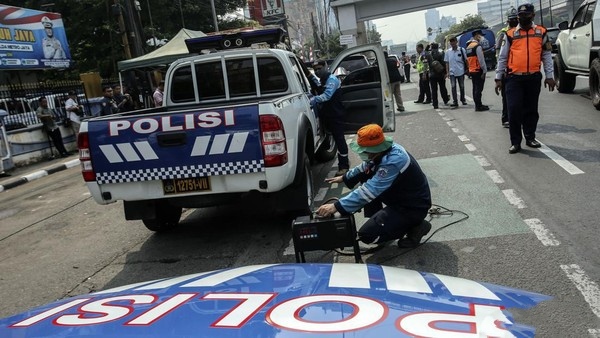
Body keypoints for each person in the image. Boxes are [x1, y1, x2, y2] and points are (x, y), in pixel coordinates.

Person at [316, 124, 432, 248]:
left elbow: (369, 191)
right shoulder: (383, 151)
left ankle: (416, 226)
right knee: (365, 176)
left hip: (412, 207)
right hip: (400, 198)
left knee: (367, 235)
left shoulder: (393, 162)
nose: (364, 154)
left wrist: (336, 206)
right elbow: (366, 167)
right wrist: (345, 177)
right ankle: (381, 221)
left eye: (366, 151)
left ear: (376, 149)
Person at [495, 3, 555, 154]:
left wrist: (549, 76)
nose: (522, 18)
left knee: (531, 110)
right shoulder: (509, 34)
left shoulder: (541, 32)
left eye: (526, 15)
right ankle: (515, 142)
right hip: (513, 78)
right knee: (514, 109)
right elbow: (502, 57)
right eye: (520, 16)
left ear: (532, 15)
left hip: (533, 78)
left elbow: (547, 55)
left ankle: (530, 137)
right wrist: (498, 78)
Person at [307, 60, 350, 176]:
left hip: (336, 115)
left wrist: (311, 100)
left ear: (326, 67)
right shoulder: (323, 80)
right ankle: (344, 164)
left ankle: (344, 166)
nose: (317, 71)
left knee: (339, 140)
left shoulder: (332, 80)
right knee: (335, 139)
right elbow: (316, 84)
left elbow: (326, 96)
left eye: (319, 68)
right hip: (329, 115)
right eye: (315, 70)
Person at [496, 7, 519, 128]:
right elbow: (499, 54)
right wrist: (500, 72)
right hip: (506, 70)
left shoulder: (520, 32)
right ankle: (506, 118)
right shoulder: (503, 33)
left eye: (516, 19)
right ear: (508, 21)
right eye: (512, 20)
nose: (514, 22)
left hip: (518, 70)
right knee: (506, 97)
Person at [466, 30, 489, 111]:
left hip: (472, 70)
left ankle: (477, 105)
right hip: (478, 70)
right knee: (479, 89)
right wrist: (484, 71)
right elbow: (481, 60)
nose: (482, 37)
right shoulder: (477, 46)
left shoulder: (469, 47)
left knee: (475, 88)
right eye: (481, 35)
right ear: (476, 35)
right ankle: (479, 106)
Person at [444, 36, 468, 108]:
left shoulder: (461, 50)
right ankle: (455, 101)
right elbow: (447, 63)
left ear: (456, 42)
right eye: (451, 42)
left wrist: (467, 69)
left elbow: (466, 60)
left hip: (460, 71)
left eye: (453, 41)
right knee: (453, 87)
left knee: (462, 86)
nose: (452, 43)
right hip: (452, 72)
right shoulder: (448, 52)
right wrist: (447, 72)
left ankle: (463, 100)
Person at [428, 43, 450, 109]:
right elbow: (444, 63)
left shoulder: (429, 55)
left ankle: (435, 104)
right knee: (442, 88)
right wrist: (445, 73)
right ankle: (445, 100)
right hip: (440, 74)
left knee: (434, 90)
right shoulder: (441, 53)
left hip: (432, 75)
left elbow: (426, 64)